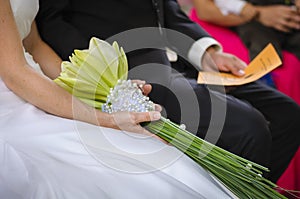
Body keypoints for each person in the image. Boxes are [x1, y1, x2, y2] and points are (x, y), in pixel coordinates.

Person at [36, 0, 300, 183]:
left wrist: (209, 52)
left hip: (181, 59)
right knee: (249, 127)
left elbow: (166, 9)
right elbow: (52, 21)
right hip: (132, 72)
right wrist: (108, 75)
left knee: (288, 114)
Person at [0, 0, 242, 198]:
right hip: (11, 97)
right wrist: (105, 119)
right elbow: (15, 72)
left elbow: (35, 45)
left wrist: (101, 88)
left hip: (38, 80)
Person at [192, 0, 300, 60]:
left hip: (286, 12)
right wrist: (254, 12)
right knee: (260, 42)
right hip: (245, 18)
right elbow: (207, 9)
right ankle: (265, 79)